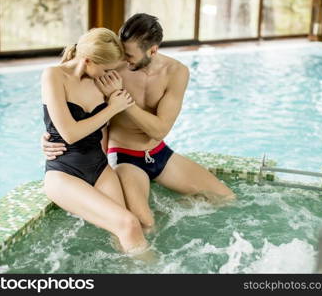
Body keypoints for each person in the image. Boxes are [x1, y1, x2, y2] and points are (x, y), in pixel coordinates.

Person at [42, 14, 236, 233]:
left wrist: (121, 100)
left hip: (158, 152)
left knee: (225, 197)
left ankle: (169, 214)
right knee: (145, 224)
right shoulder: (110, 69)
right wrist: (50, 138)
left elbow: (160, 129)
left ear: (152, 50)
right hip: (124, 157)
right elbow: (68, 104)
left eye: (129, 55)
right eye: (121, 53)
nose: (123, 61)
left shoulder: (176, 72)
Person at [41, 27, 149, 255]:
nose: (109, 74)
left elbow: (103, 132)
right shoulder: (53, 75)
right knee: (128, 224)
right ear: (88, 60)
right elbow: (70, 133)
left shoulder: (100, 81)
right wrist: (112, 108)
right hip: (64, 172)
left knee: (129, 229)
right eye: (106, 68)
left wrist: (113, 100)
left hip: (99, 167)